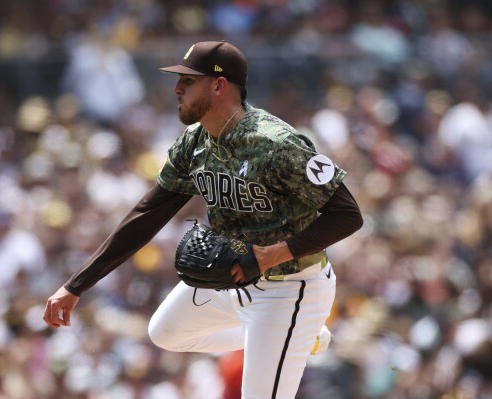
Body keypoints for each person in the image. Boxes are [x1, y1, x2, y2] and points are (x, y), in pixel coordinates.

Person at [44, 40, 363, 398]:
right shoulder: (194, 142)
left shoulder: (278, 143)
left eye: (188, 81)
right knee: (165, 332)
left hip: (290, 287)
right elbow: (149, 213)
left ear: (218, 85)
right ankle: (297, 338)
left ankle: (293, 331)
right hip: (234, 278)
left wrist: (272, 253)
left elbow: (348, 215)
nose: (176, 88)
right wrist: (76, 285)